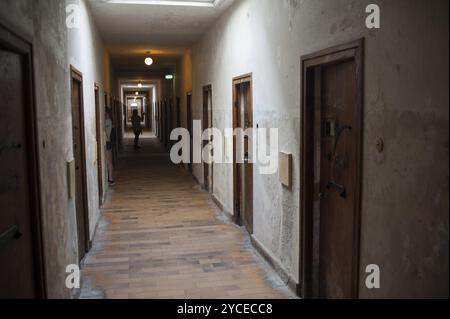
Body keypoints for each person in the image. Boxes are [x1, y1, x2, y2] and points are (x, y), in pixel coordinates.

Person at [105, 107, 116, 186]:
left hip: (107, 142)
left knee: (109, 161)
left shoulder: (107, 121)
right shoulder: (110, 121)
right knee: (109, 161)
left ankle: (111, 179)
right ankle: (111, 178)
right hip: (109, 142)